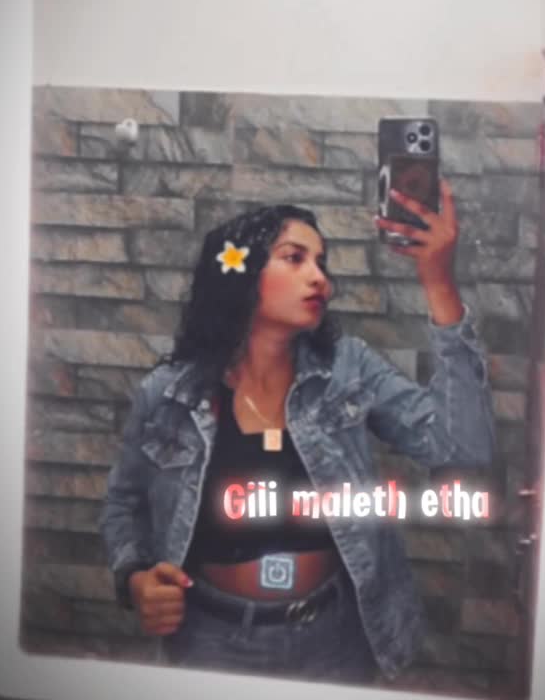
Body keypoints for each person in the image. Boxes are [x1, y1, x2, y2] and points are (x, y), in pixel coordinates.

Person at [100, 180, 495, 684]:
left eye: (322, 263)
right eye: (294, 258)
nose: (319, 278)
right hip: (208, 638)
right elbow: (123, 503)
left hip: (332, 639)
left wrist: (439, 284)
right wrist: (134, 577)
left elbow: (462, 447)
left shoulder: (347, 369)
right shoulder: (170, 393)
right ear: (240, 274)